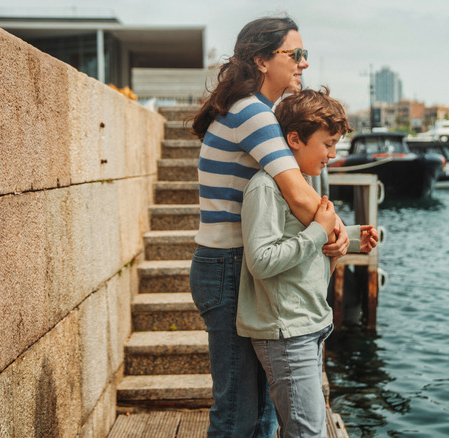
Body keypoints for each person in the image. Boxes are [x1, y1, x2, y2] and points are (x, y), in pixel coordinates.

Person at [189, 17, 353, 437]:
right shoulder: (252, 113)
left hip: (232, 265)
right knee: (239, 412)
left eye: (305, 55)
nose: (303, 64)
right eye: (294, 55)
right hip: (228, 266)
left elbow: (300, 202)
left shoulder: (252, 110)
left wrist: (333, 227)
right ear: (262, 60)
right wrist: (334, 232)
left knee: (259, 411)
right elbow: (299, 196)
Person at [237, 88, 378, 437]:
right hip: (287, 329)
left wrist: (356, 235)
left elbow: (308, 239)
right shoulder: (266, 187)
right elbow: (261, 260)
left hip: (307, 325)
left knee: (305, 429)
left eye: (336, 145)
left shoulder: (301, 185)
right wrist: (319, 231)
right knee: (307, 432)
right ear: (295, 139)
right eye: (328, 144)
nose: (332, 154)